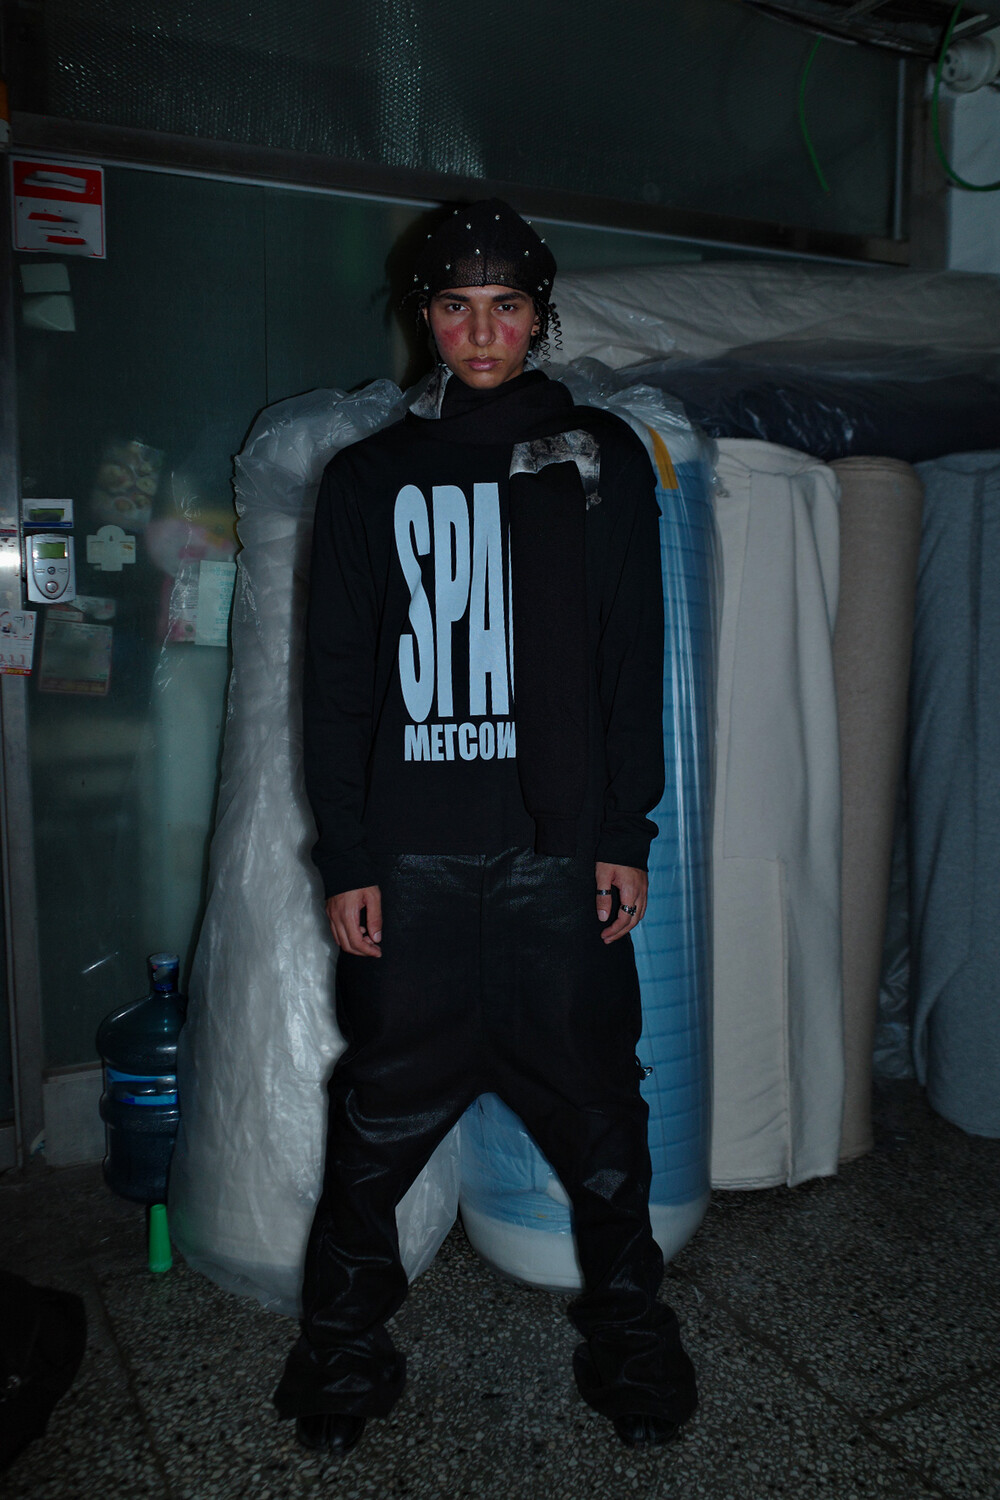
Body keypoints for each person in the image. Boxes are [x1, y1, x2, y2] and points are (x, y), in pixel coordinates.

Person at [273, 199, 697, 1457]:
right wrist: (348, 856)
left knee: (603, 1126)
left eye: (504, 305)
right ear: (425, 316)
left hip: (556, 859)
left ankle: (632, 1347)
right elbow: (336, 684)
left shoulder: (598, 458)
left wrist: (624, 832)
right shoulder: (368, 478)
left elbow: (630, 656)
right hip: (413, 862)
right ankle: (342, 1358)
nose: (480, 330)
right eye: (455, 306)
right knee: (377, 1127)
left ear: (537, 315)